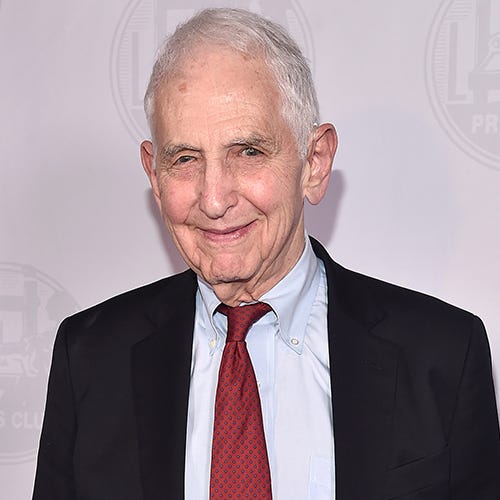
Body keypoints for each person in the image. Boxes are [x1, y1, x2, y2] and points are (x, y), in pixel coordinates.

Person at [32, 8, 499, 500]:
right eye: (185, 159)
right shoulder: (89, 358)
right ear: (154, 174)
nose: (214, 199)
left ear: (314, 164)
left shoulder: (442, 353)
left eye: (248, 152)